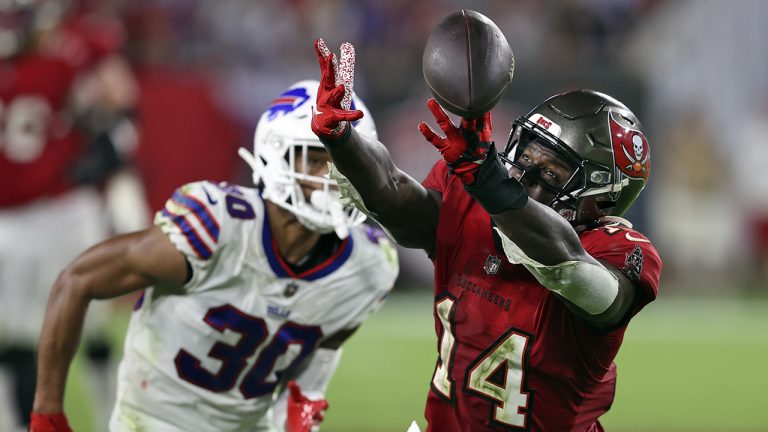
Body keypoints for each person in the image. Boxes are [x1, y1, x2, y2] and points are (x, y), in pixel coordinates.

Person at [310, 38, 661, 431]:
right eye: (525, 157)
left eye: (550, 174)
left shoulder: (614, 252)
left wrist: (491, 184)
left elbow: (564, 267)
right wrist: (343, 139)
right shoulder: (476, 198)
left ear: (601, 199)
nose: (523, 176)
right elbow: (393, 194)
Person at [30, 80, 399, 432]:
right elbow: (76, 280)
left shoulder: (368, 264)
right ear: (276, 155)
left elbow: (326, 341)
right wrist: (47, 413)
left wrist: (304, 396)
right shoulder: (216, 225)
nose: (332, 179)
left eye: (344, 163)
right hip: (155, 422)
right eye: (316, 160)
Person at [0, 2, 146, 430]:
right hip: (51, 210)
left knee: (35, 334)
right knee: (64, 329)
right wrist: (114, 140)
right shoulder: (71, 54)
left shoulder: (67, 55)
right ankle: (107, 415)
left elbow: (116, 105)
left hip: (44, 212)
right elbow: (120, 104)